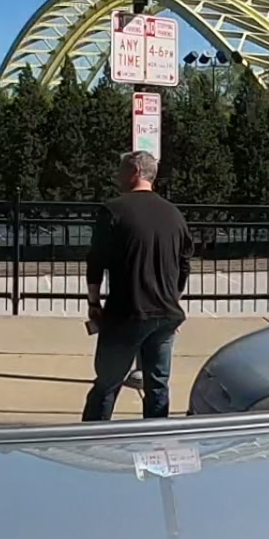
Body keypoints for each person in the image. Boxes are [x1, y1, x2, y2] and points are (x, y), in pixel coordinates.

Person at [84, 148, 193, 422]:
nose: (117, 176)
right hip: (166, 313)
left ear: (134, 172)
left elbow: (96, 261)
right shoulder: (174, 214)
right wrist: (172, 298)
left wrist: (94, 302)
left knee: (107, 384)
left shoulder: (113, 210)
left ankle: (93, 438)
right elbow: (184, 264)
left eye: (121, 170)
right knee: (158, 386)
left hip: (127, 312)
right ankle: (155, 437)